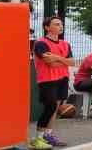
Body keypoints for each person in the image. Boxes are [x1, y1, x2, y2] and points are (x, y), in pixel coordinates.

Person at [31, 17, 74, 149]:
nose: (60, 26)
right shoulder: (41, 43)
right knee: (49, 107)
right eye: (56, 24)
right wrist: (63, 60)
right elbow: (49, 63)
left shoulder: (65, 44)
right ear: (47, 27)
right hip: (47, 79)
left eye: (61, 24)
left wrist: (57, 58)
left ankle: (47, 135)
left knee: (54, 108)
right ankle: (37, 139)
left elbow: (72, 62)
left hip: (62, 78)